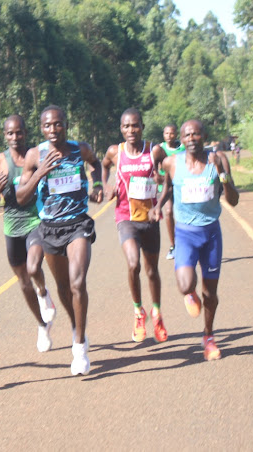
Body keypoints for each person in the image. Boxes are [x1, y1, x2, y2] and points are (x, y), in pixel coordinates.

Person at [16, 105, 104, 376]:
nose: (53, 130)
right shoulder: (34, 155)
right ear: (41, 128)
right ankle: (76, 325)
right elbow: (21, 197)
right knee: (64, 287)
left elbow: (96, 164)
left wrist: (98, 184)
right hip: (50, 228)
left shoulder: (81, 149)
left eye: (58, 124)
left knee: (78, 283)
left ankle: (79, 348)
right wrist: (40, 172)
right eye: (47, 126)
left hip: (78, 224)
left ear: (67, 124)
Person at [149, 119, 239, 361]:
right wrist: (157, 206)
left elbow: (233, 200)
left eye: (196, 134)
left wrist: (223, 178)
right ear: (181, 138)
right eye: (187, 135)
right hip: (186, 234)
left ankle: (208, 336)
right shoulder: (172, 163)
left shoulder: (216, 160)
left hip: (211, 234)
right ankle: (191, 294)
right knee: (185, 285)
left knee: (211, 293)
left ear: (203, 136)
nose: (191, 139)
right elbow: (167, 187)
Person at [0, 115, 56, 353]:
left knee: (33, 266)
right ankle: (41, 325)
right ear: (4, 135)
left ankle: (44, 292)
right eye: (10, 133)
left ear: (26, 133)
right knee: (23, 282)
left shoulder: (37, 155)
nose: (15, 137)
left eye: (19, 132)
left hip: (36, 220)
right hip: (11, 226)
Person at [102, 109, 168, 345]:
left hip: (149, 219)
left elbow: (167, 174)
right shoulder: (115, 152)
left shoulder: (154, 150)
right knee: (133, 264)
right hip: (125, 218)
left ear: (142, 126)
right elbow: (104, 165)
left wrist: (159, 202)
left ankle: (157, 313)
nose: (131, 131)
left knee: (152, 271)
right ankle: (139, 312)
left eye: (135, 126)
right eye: (126, 127)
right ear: (121, 129)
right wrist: (106, 186)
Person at [158, 124, 185, 260]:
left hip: (182, 185)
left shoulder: (183, 148)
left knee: (184, 214)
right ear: (163, 134)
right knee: (168, 211)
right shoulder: (160, 148)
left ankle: (187, 243)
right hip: (166, 186)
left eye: (172, 133)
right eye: (167, 133)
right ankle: (173, 245)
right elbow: (155, 167)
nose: (169, 136)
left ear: (177, 135)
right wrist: (158, 177)